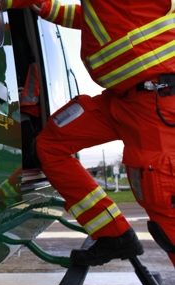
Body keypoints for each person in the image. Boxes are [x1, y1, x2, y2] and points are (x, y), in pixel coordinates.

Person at [23, 0, 175, 266]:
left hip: (157, 99)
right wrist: (47, 8)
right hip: (122, 100)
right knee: (51, 144)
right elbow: (94, 17)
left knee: (169, 218)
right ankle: (113, 234)